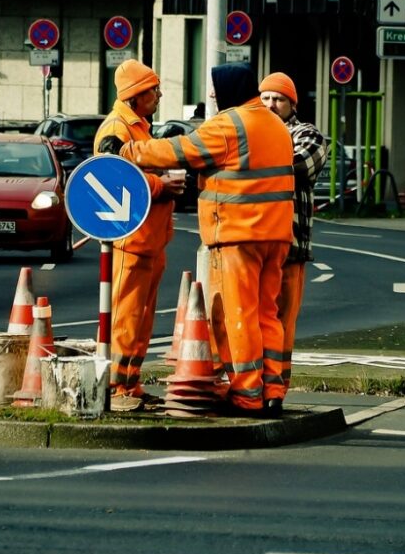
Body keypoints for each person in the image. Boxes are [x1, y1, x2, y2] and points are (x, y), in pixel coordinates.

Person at [104, 63, 294, 418]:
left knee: (238, 315)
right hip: (277, 236)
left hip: (238, 235)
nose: (212, 95)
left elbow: (180, 151)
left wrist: (128, 152)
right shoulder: (275, 124)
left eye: (215, 88)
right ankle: (273, 390)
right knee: (268, 313)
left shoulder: (230, 123)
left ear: (228, 90)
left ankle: (248, 394)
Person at [93, 59, 185, 412]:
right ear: (135, 96)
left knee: (141, 316)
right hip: (132, 240)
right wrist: (162, 184)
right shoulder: (116, 130)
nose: (159, 94)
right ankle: (118, 386)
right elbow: (113, 177)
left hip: (147, 239)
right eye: (153, 89)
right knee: (126, 316)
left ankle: (129, 383)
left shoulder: (137, 128)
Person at [258, 72, 325, 393]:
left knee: (283, 320)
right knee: (254, 316)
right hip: (255, 242)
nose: (271, 104)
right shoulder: (253, 130)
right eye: (266, 98)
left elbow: (298, 165)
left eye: (279, 99)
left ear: (291, 104)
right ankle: (253, 383)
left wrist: (253, 158)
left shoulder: (307, 134)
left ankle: (277, 385)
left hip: (292, 245)